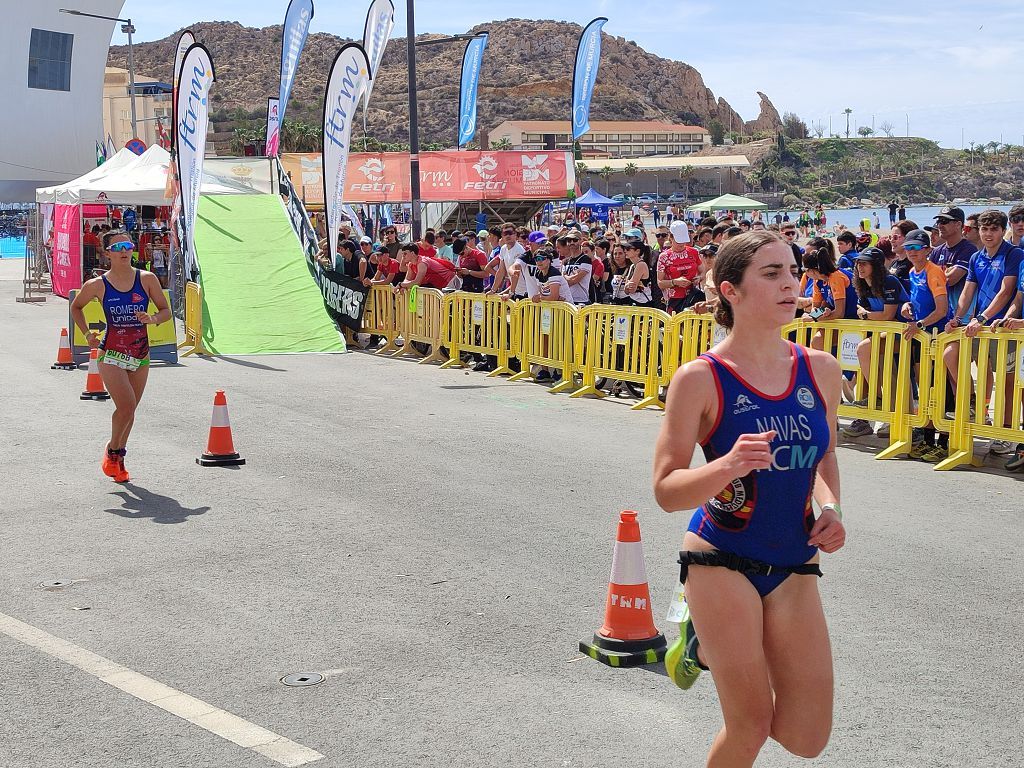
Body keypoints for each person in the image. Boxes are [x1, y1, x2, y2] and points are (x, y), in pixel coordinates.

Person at [653, 230, 844, 765]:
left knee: (808, 737)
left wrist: (829, 508)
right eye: (771, 274)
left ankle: (705, 648)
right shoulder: (700, 379)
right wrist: (729, 464)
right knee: (751, 724)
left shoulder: (820, 370)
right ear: (729, 290)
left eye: (792, 270)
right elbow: (667, 491)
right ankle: (706, 635)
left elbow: (823, 458)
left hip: (794, 558)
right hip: (721, 557)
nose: (790, 284)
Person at [70, 231, 170, 484]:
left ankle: (119, 458)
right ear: (107, 253)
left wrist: (154, 318)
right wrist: (86, 334)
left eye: (128, 245)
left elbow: (165, 310)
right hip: (111, 352)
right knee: (125, 406)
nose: (125, 250)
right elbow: (76, 307)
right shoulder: (97, 285)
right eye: (118, 247)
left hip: (140, 353)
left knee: (131, 410)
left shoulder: (146, 279)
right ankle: (113, 451)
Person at [840, 246, 910, 439]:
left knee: (864, 349)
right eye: (858, 263)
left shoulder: (889, 281)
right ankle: (875, 411)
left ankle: (878, 398)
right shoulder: (862, 285)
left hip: (904, 332)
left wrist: (867, 315)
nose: (859, 267)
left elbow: (888, 315)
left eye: (864, 264)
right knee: (874, 365)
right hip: (884, 332)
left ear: (876, 266)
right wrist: (868, 316)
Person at [658, 220, 701, 313]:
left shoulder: (694, 252)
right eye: (678, 241)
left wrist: (699, 278)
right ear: (671, 238)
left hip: (694, 296)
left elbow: (703, 271)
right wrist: (675, 282)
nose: (681, 244)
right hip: (675, 299)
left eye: (683, 240)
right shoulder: (664, 256)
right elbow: (660, 282)